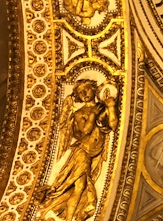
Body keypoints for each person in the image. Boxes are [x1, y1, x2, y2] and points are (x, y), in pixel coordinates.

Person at [37, 80, 118, 221]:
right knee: (79, 186)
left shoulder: (101, 108)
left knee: (82, 187)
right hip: (82, 151)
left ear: (94, 90)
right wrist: (92, 114)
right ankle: (69, 218)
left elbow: (113, 125)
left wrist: (111, 107)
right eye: (81, 92)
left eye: (87, 89)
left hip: (96, 154)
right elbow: (85, 130)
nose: (84, 94)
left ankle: (69, 215)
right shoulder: (80, 113)